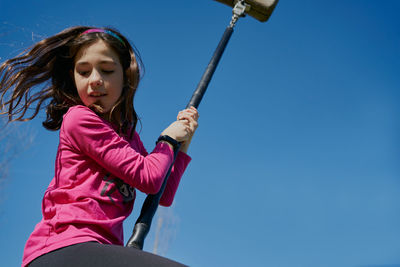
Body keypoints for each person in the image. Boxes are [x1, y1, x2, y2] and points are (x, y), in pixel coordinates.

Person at [0, 26, 199, 267]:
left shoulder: (128, 136)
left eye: (106, 70)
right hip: (64, 247)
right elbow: (149, 177)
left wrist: (181, 146)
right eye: (83, 72)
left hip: (98, 249)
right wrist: (167, 140)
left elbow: (162, 193)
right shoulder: (79, 119)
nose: (95, 80)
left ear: (126, 76)